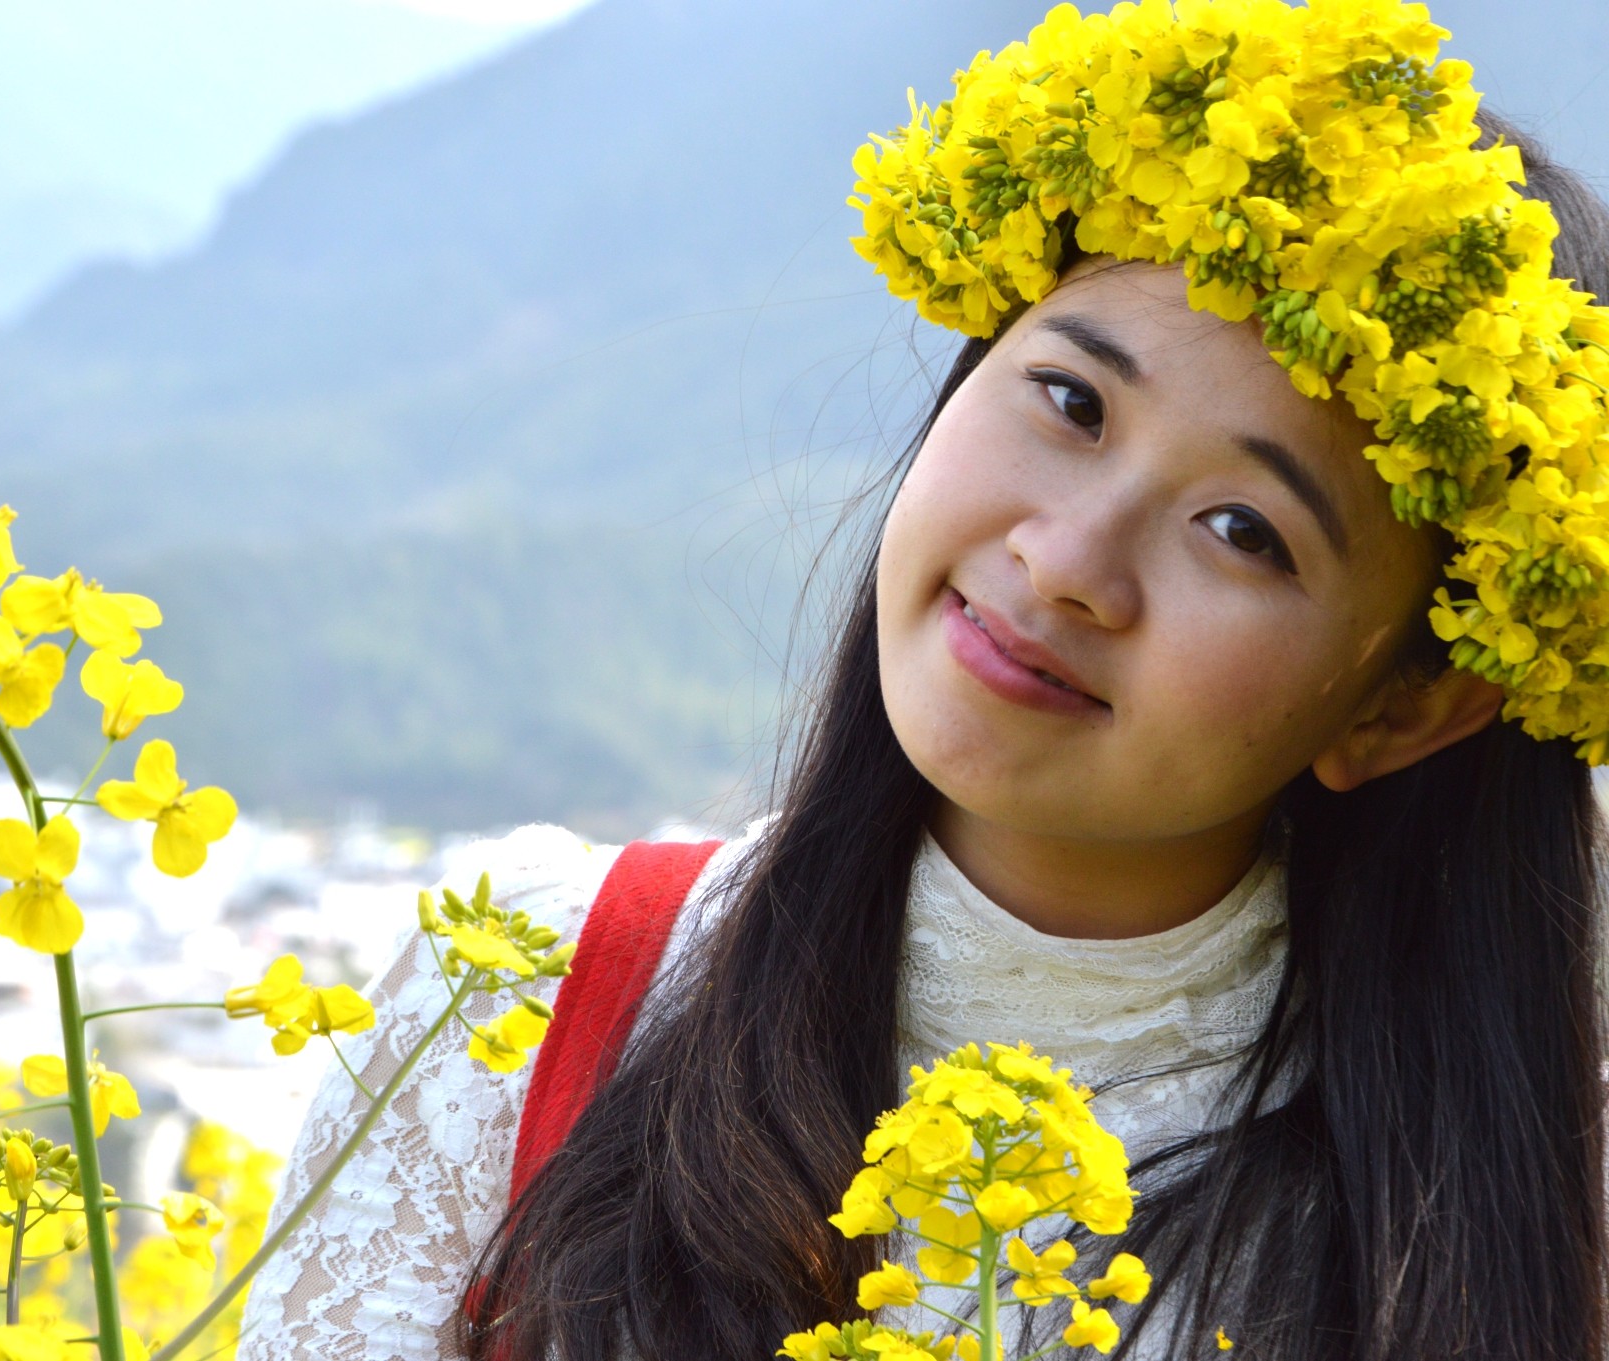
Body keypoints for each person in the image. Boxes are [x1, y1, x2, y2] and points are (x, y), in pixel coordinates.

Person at [238, 1, 1609, 1356]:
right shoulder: (519, 1000)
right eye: (1072, 401)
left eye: (1244, 533)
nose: (1068, 560)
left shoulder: (1504, 1238)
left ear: (1405, 703)